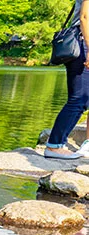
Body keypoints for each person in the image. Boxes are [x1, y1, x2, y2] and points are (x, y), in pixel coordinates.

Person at [46, 0, 89, 159]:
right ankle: (54, 146)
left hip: (83, 43)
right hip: (82, 44)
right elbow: (84, 17)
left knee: (85, 99)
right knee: (79, 99)